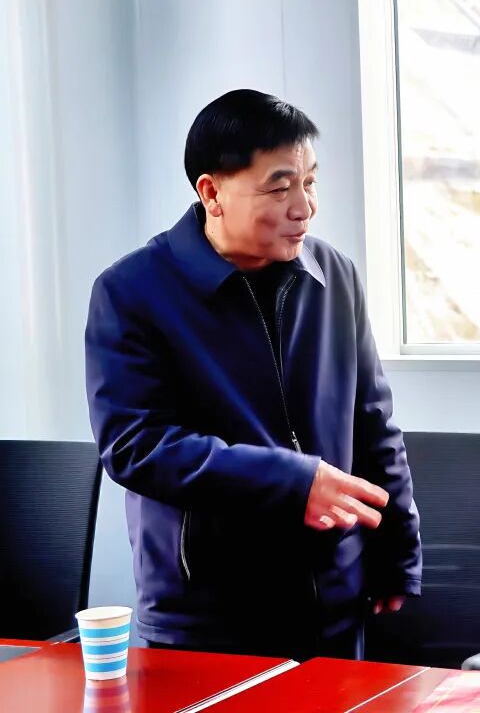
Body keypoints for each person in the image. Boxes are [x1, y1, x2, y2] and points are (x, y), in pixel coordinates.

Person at [85, 89, 421, 660]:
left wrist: (397, 551)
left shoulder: (334, 274)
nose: (304, 208)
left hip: (334, 600)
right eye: (279, 187)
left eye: (310, 183)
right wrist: (292, 483)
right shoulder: (131, 292)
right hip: (208, 612)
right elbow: (135, 446)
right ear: (211, 192)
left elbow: (373, 423)